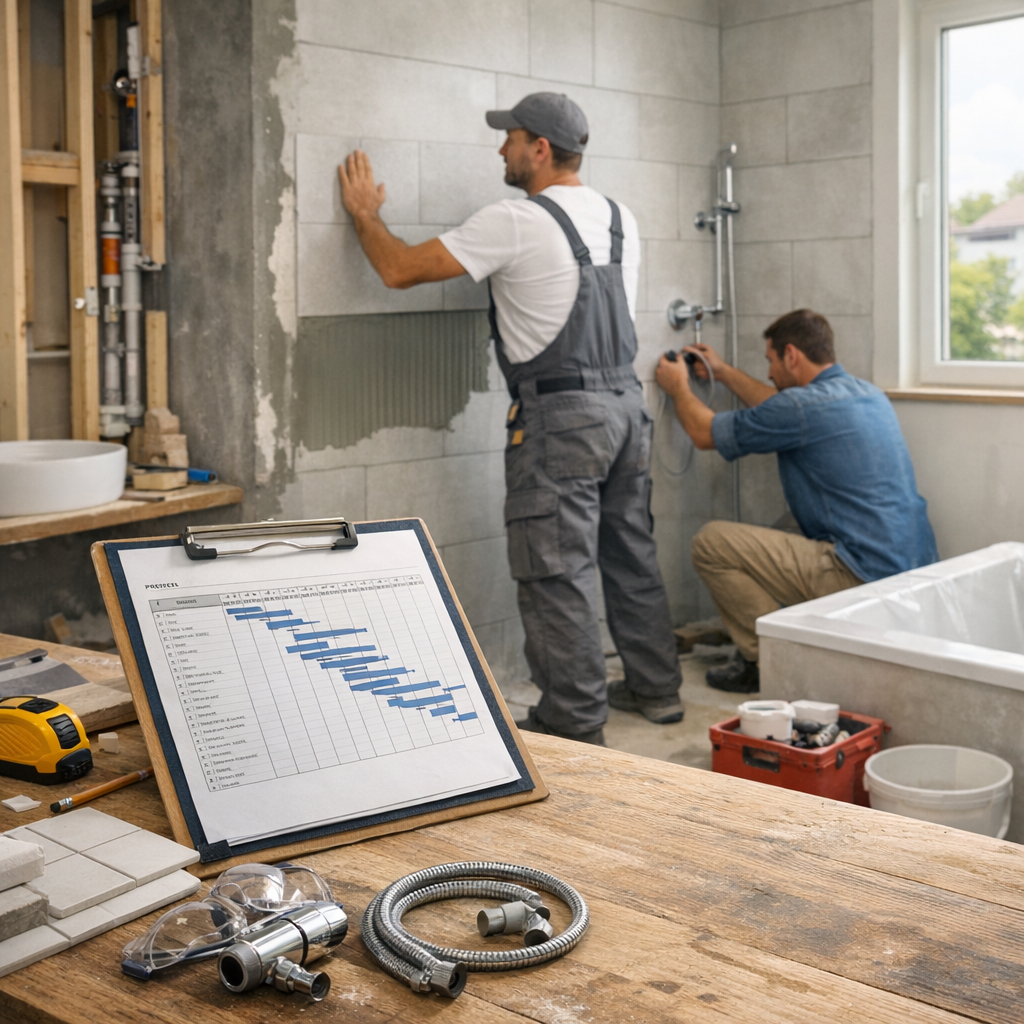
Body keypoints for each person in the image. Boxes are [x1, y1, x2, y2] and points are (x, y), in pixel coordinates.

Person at [338, 93, 682, 744]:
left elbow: (397, 269)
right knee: (631, 555)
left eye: (511, 138)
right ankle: (656, 688)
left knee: (556, 571)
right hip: (624, 409)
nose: (502, 149)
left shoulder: (516, 221)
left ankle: (575, 722)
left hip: (562, 420)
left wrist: (365, 216)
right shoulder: (618, 217)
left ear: (541, 150)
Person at [655, 308, 938, 694]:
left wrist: (678, 388)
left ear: (791, 355)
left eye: (771, 360)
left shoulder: (800, 408)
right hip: (911, 574)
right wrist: (722, 372)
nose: (769, 371)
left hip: (859, 575)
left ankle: (769, 660)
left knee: (712, 542)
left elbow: (705, 433)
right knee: (783, 524)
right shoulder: (864, 392)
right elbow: (778, 405)